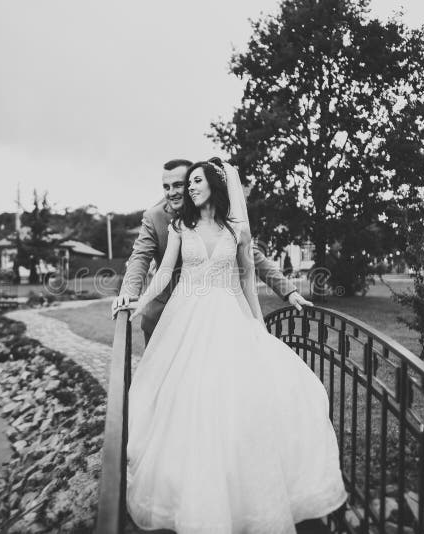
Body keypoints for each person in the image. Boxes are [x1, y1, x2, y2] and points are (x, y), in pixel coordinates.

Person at [124, 159, 347, 533]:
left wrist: (261, 323)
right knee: (188, 399)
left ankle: (241, 487)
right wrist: (137, 300)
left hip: (228, 316)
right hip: (185, 318)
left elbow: (247, 277)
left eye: (193, 182)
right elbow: (158, 271)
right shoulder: (174, 223)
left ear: (212, 184)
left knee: (236, 399)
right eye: (179, 185)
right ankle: (191, 489)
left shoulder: (236, 229)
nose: (183, 190)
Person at [112, 158, 312, 344]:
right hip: (164, 315)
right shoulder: (155, 217)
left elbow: (253, 258)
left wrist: (289, 291)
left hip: (216, 317)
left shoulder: (228, 224)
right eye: (166, 187)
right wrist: (129, 294)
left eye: (179, 185)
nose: (171, 192)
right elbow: (140, 257)